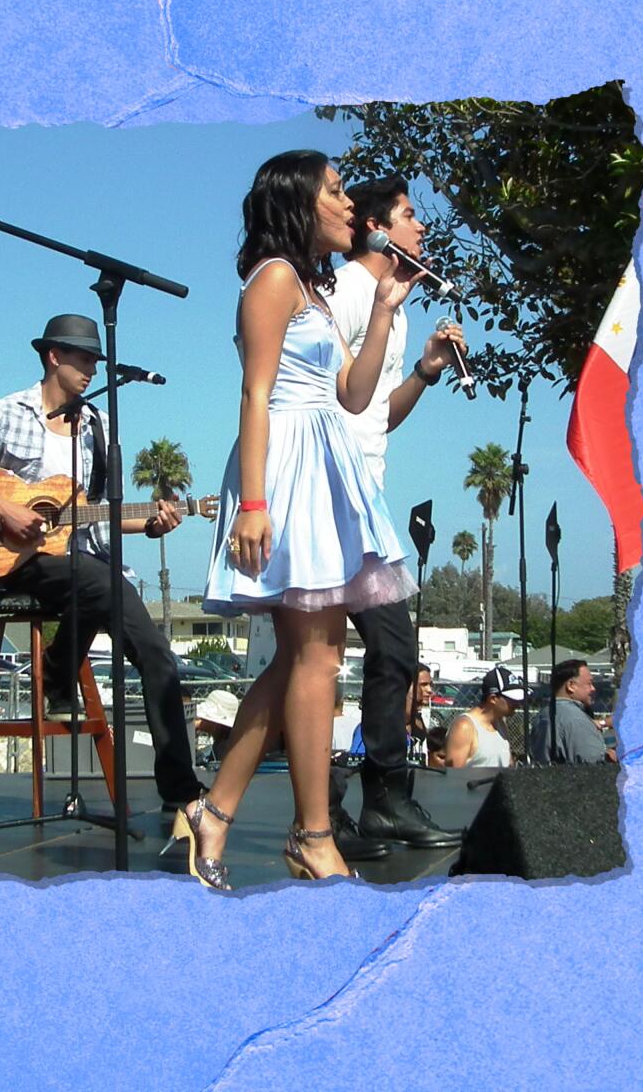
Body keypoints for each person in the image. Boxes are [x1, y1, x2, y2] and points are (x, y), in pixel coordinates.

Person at [178, 149, 422, 887]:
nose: (350, 206)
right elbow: (255, 395)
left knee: (298, 660)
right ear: (299, 202)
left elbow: (353, 394)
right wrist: (252, 503)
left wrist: (384, 311)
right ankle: (313, 834)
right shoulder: (275, 280)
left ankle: (214, 813)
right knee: (316, 659)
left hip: (326, 461)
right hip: (286, 467)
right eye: (338, 192)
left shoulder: (316, 293)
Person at [0, 313, 205, 811]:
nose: (93, 370)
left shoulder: (94, 426)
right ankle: (57, 673)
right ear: (53, 357)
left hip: (82, 563)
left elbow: (90, 516)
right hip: (13, 559)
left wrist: (152, 523)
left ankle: (180, 791)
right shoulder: (8, 411)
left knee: (157, 654)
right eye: (84, 359)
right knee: (98, 579)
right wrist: (7, 509)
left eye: (97, 360)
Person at [324, 174, 464, 852]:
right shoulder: (349, 290)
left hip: (364, 501)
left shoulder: (394, 306)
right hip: (331, 501)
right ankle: (344, 805)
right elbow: (326, 402)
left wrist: (428, 371)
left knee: (383, 653)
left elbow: (377, 414)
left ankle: (366, 803)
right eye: (410, 215)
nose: (422, 228)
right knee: (346, 653)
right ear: (378, 228)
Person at [530, 658, 616, 763]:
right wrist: (610, 758)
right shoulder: (576, 720)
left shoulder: (542, 715)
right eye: (589, 683)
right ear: (571, 686)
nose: (593, 689)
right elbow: (595, 768)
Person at [444, 666, 524, 768]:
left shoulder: (501, 724)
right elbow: (453, 776)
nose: (518, 704)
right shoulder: (464, 727)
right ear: (493, 698)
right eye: (512, 700)